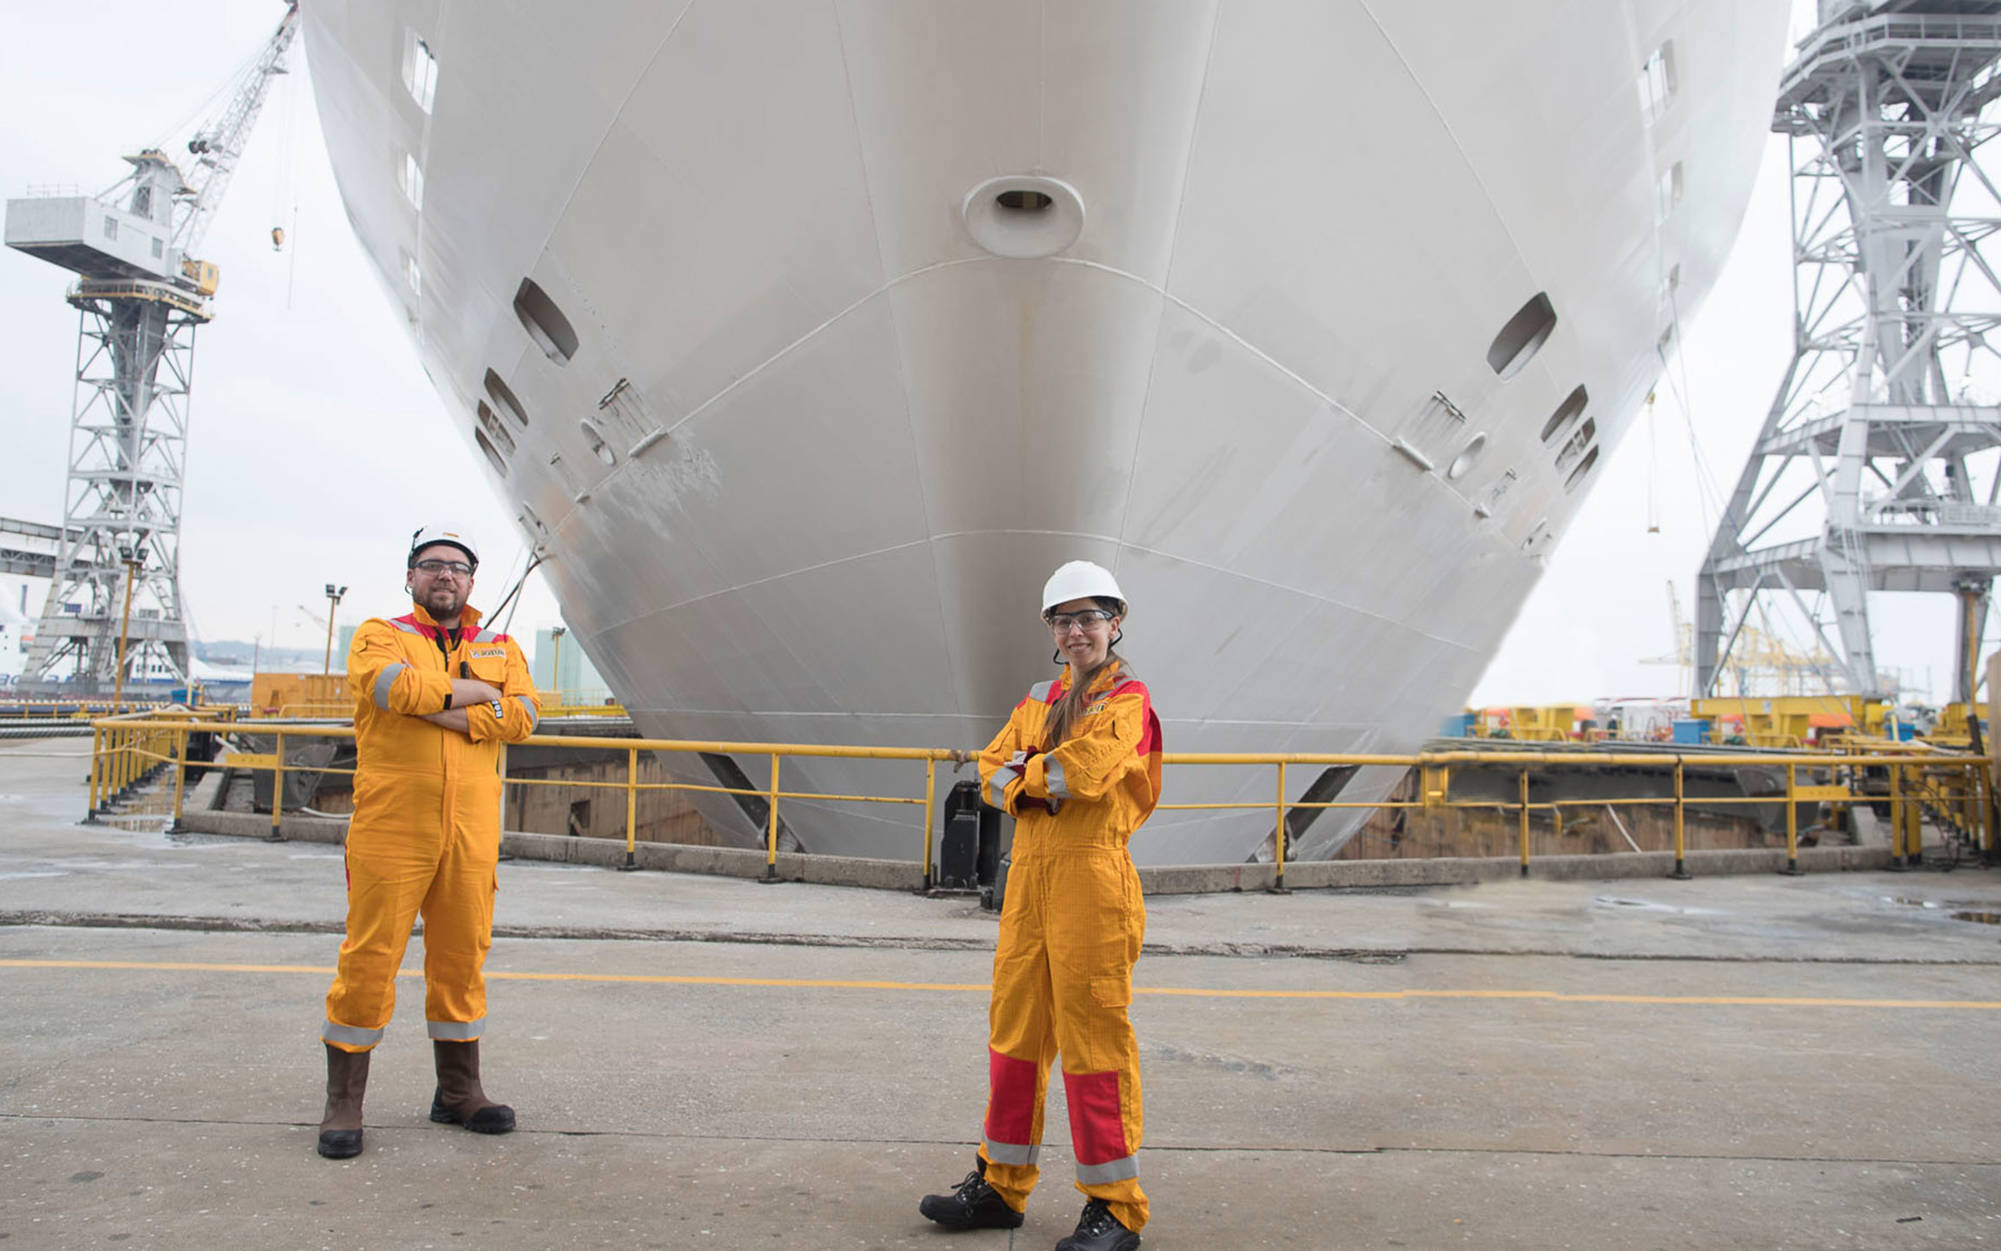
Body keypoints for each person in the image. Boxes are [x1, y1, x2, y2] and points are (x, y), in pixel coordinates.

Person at [921, 560, 1163, 1251]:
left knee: (1094, 1041)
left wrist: (1024, 776)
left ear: (1115, 623)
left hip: (1093, 877)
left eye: (1089, 618)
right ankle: (1001, 1184)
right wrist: (1032, 779)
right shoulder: (1038, 698)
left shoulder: (1127, 701)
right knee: (1014, 1034)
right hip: (1027, 879)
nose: (1076, 631)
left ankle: (1115, 1207)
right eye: (1063, 620)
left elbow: (1085, 772)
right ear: (1051, 629)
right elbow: (988, 769)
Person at [315, 523, 541, 1159]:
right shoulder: (380, 635)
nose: (446, 575)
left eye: (458, 567)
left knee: (462, 959)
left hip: (470, 832)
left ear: (471, 581)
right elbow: (395, 689)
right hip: (392, 828)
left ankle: (459, 1092)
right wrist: (482, 698)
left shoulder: (500, 644)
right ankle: (344, 1102)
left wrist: (438, 707)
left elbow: (525, 717)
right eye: (433, 564)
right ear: (411, 576)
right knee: (370, 959)